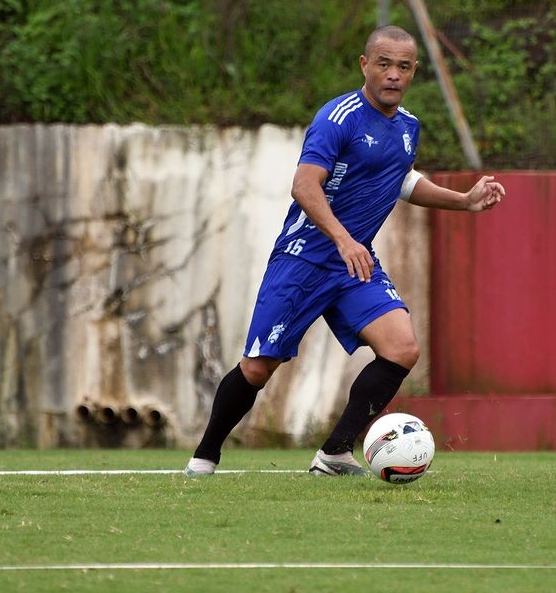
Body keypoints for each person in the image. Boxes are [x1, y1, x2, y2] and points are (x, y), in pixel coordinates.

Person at [186, 25, 504, 477]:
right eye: (384, 64)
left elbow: (402, 180)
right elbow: (304, 185)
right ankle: (204, 457)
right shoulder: (338, 117)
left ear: (414, 71)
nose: (393, 74)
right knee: (257, 368)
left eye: (403, 67)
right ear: (364, 65)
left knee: (402, 349)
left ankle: (334, 453)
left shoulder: (408, 126)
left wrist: (464, 201)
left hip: (354, 264)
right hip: (304, 259)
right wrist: (343, 238)